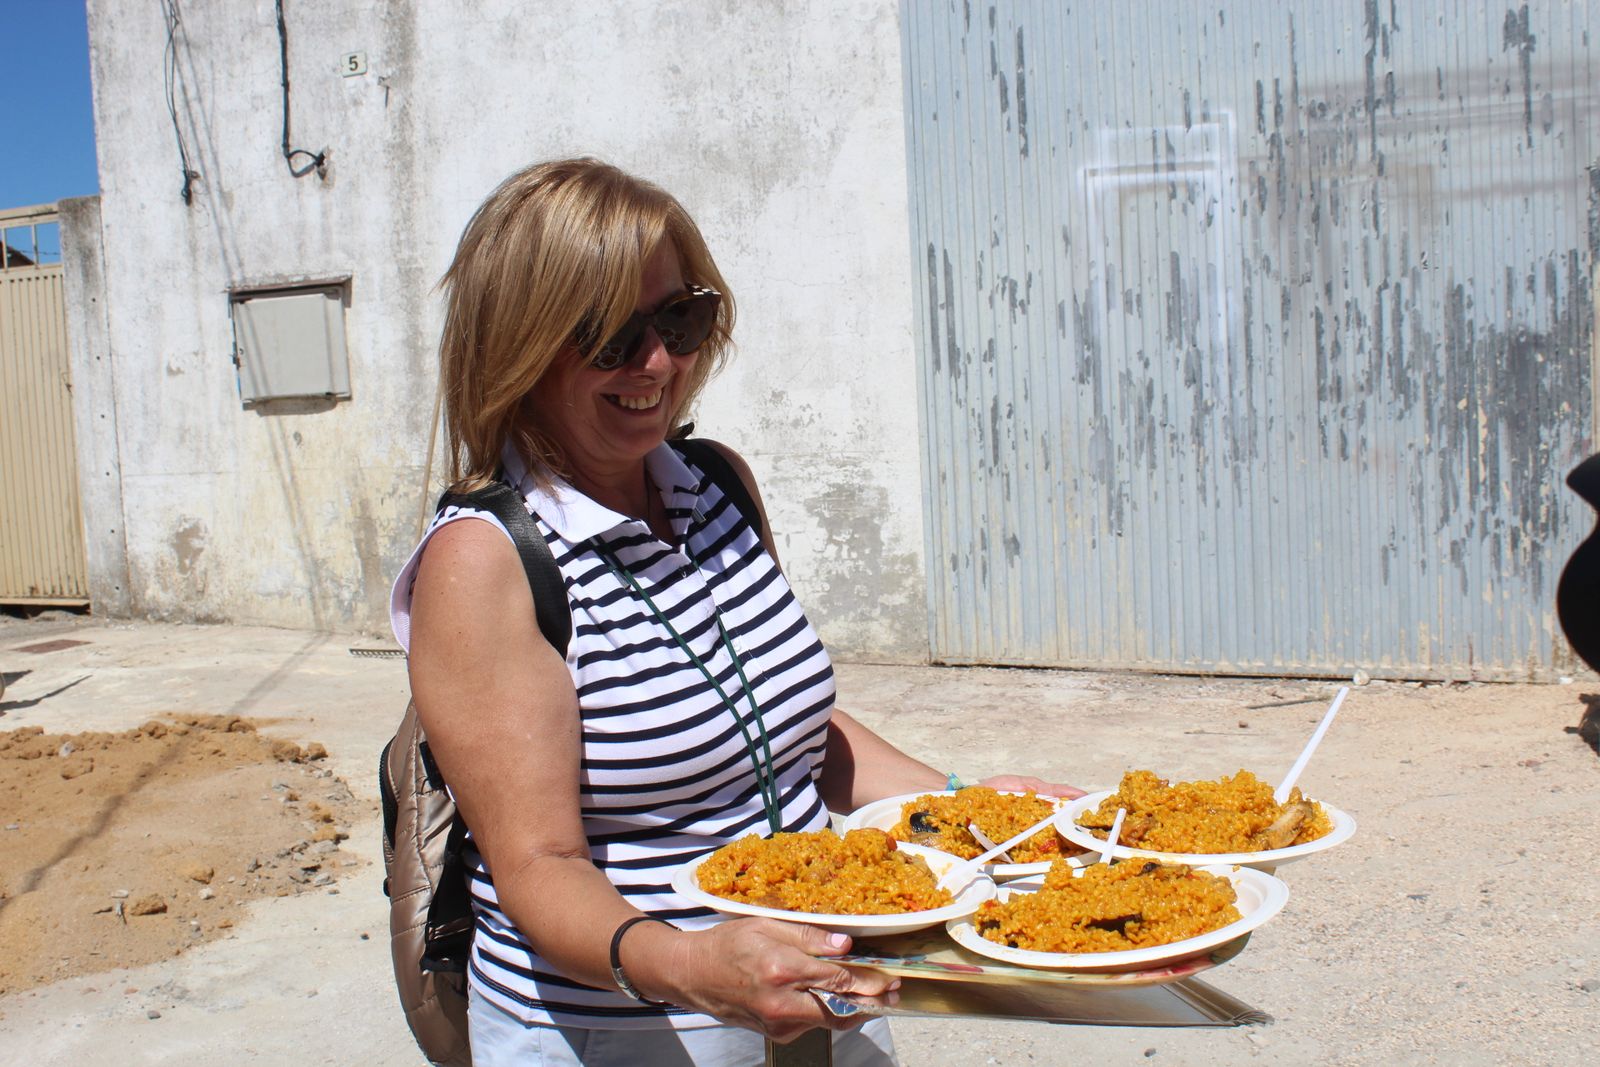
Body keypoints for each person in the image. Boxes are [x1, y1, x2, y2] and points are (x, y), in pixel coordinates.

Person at [390, 158, 1081, 1066]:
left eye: (680, 318)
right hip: (625, 1031)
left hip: (809, 995)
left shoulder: (715, 482)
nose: (658, 363)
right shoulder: (482, 563)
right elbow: (537, 868)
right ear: (520, 343)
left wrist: (967, 806)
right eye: (608, 336)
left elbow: (784, 724)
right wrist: (693, 963)